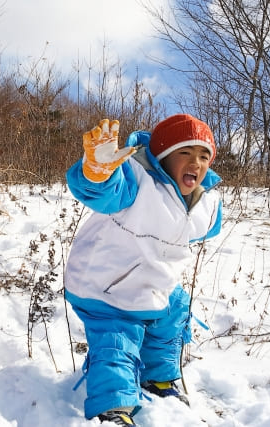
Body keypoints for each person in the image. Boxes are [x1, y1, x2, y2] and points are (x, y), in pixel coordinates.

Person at [65, 114, 222, 426]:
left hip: (153, 284)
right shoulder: (136, 179)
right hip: (107, 284)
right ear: (162, 157)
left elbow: (205, 226)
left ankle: (159, 377)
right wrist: (97, 173)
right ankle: (114, 406)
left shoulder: (202, 200)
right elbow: (102, 192)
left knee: (174, 312)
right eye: (185, 153)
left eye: (204, 156)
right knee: (117, 340)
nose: (196, 162)